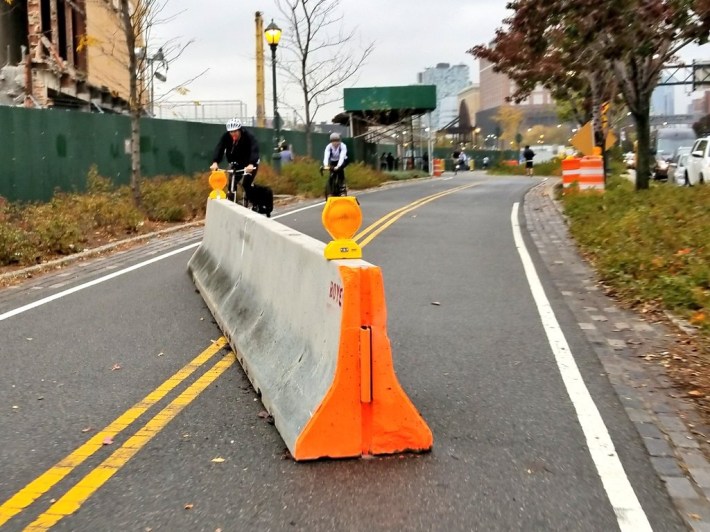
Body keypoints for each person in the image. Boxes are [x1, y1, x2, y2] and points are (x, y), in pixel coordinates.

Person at [210, 118, 260, 202]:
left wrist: (251, 163)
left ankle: (251, 201)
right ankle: (232, 201)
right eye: (231, 132)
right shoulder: (226, 137)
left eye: (235, 131)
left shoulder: (248, 136)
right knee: (232, 184)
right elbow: (219, 148)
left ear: (240, 130)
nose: (233, 134)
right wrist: (215, 162)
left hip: (250, 163)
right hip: (236, 163)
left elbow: (254, 149)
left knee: (246, 184)